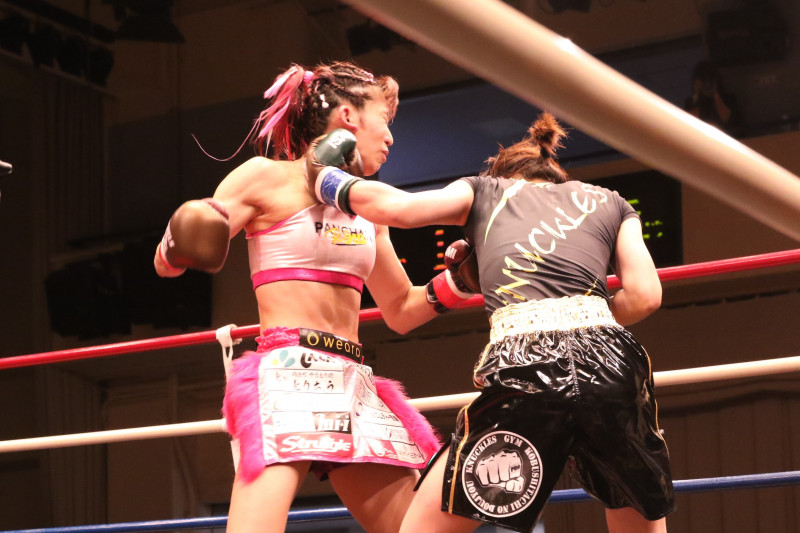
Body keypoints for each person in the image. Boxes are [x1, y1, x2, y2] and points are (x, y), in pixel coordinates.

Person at [308, 112, 676, 533]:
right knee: (637, 517)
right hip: (612, 365)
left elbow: (398, 209)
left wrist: (324, 177)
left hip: (530, 363)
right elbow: (646, 295)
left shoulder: (485, 189)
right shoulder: (612, 201)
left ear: (503, 175)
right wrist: (581, 316)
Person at [153, 61, 447, 533]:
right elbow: (168, 261)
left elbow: (400, 310)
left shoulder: (367, 206)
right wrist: (178, 242)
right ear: (348, 117)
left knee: (418, 529)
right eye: (384, 121)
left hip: (353, 380)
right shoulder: (265, 177)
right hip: (289, 372)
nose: (391, 138)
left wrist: (458, 282)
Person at [684, 60, 740, 133]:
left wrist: (716, 95)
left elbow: (726, 119)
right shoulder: (691, 102)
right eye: (704, 81)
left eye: (710, 80)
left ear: (716, 81)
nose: (707, 84)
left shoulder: (728, 99)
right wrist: (697, 94)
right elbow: (691, 124)